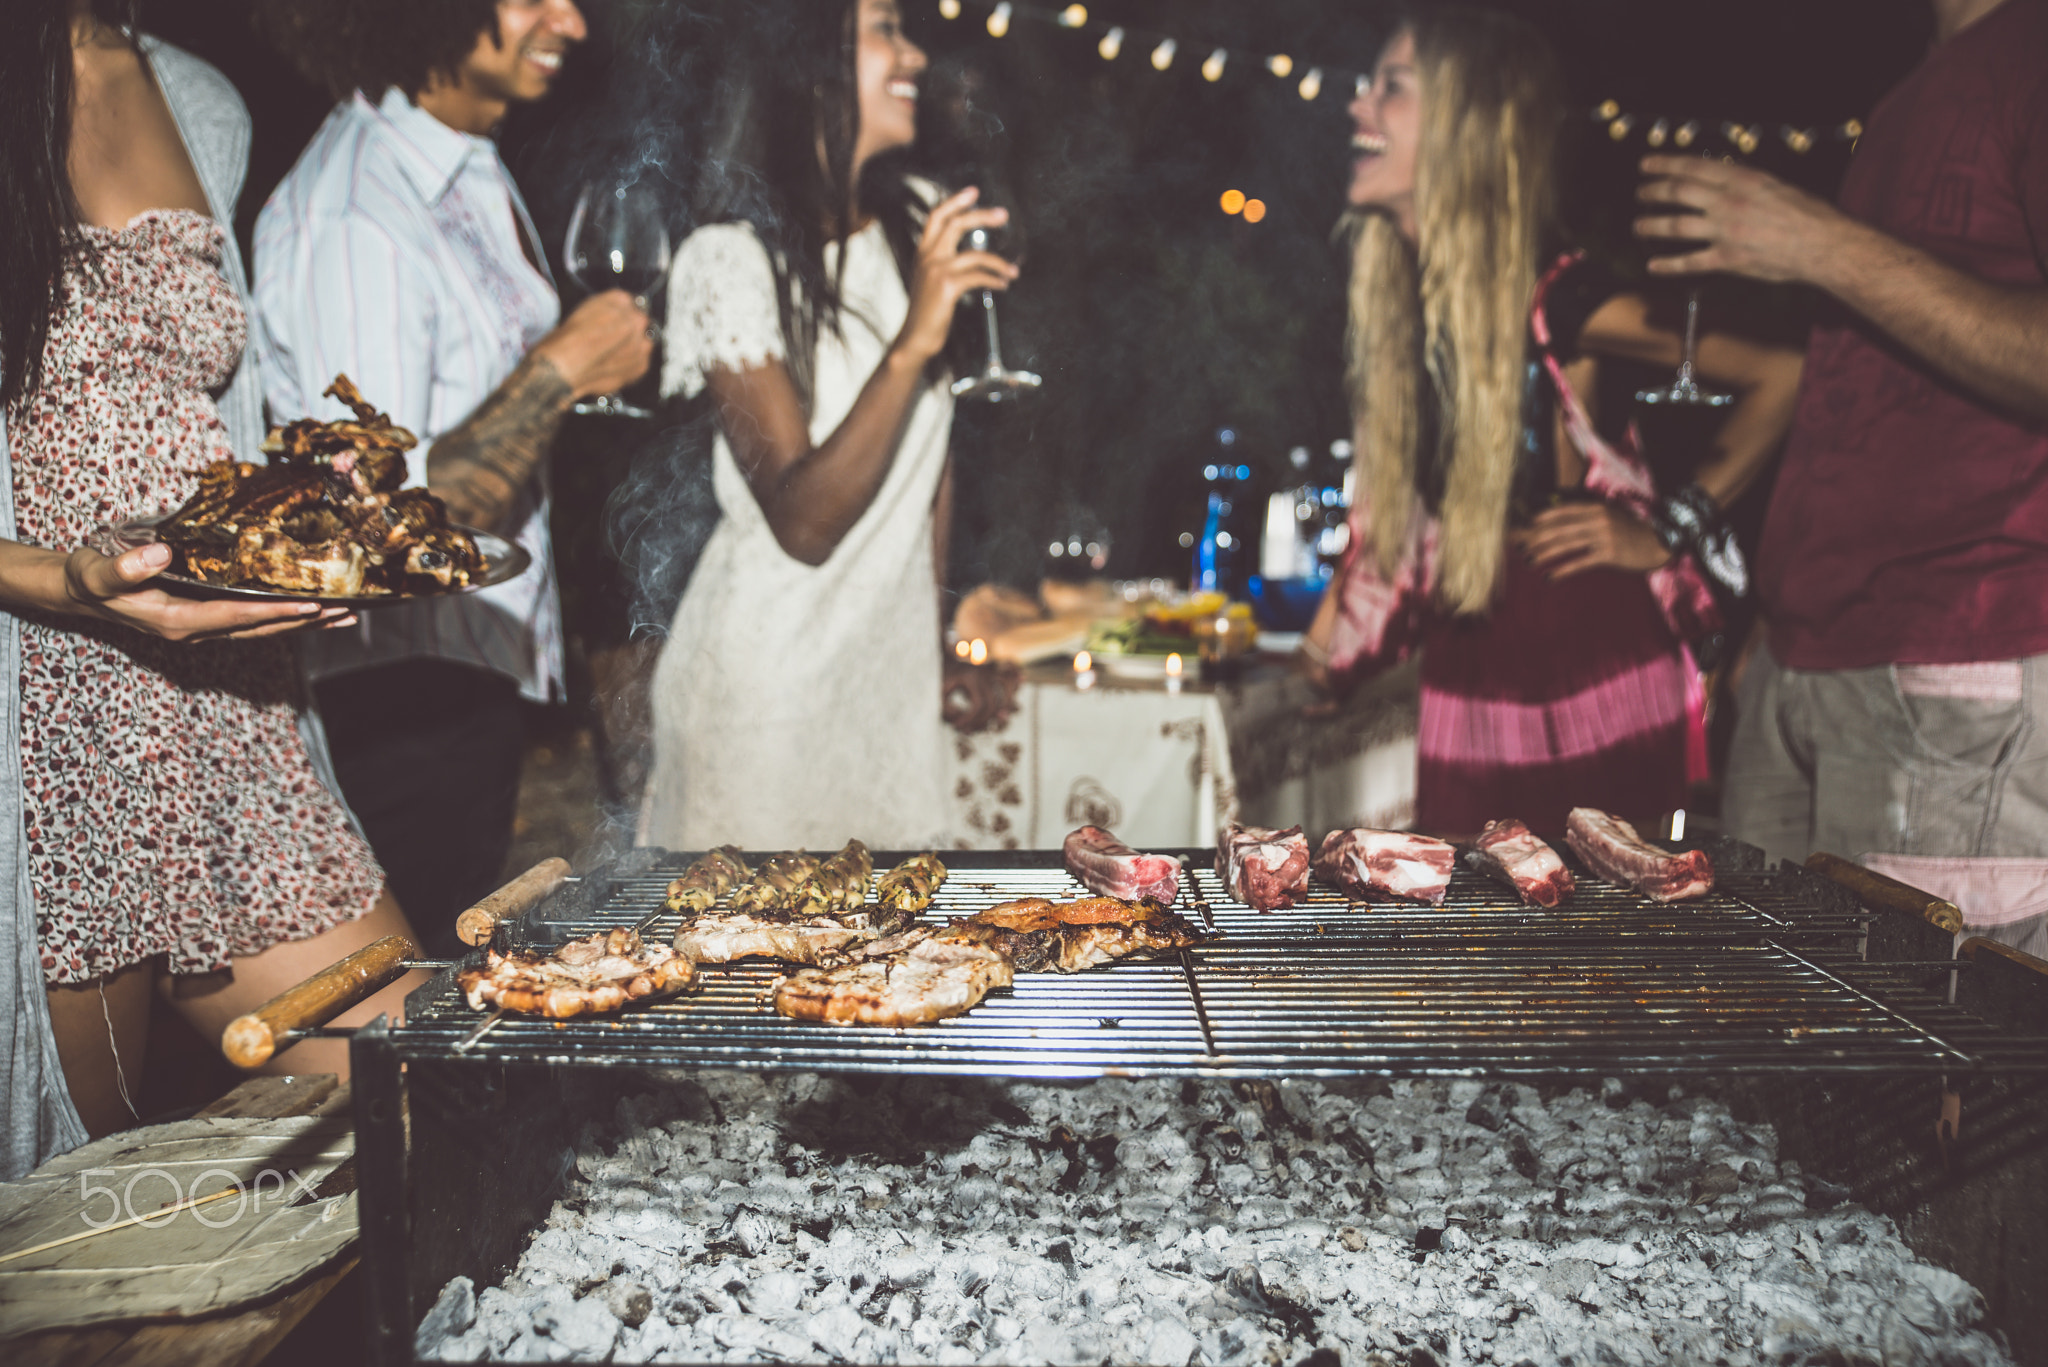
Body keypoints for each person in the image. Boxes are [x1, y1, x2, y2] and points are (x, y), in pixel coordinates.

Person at [1, 0, 427, 1176]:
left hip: (225, 704)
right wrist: (60, 580)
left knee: (416, 1093)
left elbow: (196, 404)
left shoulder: (198, 98)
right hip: (44, 721)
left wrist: (302, 491)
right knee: (73, 1203)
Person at [1299, 6, 1805, 839]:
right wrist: (1325, 658)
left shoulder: (1558, 297)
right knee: (1467, 914)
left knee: (1600, 919)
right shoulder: (1406, 312)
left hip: (1583, 659)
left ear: (1468, 123)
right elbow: (1397, 525)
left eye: (1392, 87)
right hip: (1472, 655)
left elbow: (1780, 371)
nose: (1359, 104)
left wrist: (1667, 529)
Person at [1638, 0, 2048, 953]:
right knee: (1768, 1021)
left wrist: (1818, 243)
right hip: (1806, 664)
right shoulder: (1914, 88)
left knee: (1937, 1036)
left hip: (1958, 660)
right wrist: (1782, 620)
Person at [252, 0, 652, 959]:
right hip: (393, 703)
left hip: (464, 675)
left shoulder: (460, 164)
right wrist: (560, 372)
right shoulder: (354, 213)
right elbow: (374, 521)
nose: (572, 23)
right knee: (414, 1011)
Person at [637, 0, 1016, 851]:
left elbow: (931, 465)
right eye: (884, 28)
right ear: (808, 64)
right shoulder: (729, 263)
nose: (913, 53)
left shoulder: (915, 221)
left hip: (886, 695)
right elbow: (802, 523)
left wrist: (933, 641)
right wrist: (914, 343)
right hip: (765, 703)